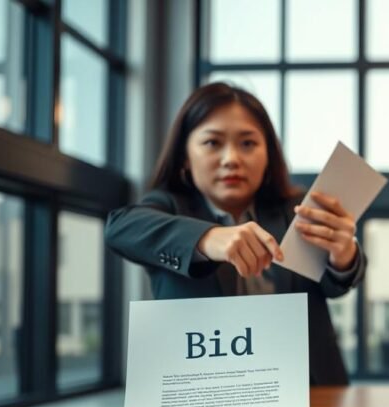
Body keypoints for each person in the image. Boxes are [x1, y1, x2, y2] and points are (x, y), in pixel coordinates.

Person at [105, 82, 363, 385]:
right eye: (213, 143)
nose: (231, 159)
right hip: (205, 397)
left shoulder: (296, 208)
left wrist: (344, 255)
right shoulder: (169, 206)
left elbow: (335, 286)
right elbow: (120, 227)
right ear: (185, 156)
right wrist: (207, 239)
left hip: (308, 390)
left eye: (248, 144)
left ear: (268, 154)